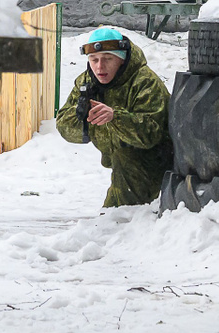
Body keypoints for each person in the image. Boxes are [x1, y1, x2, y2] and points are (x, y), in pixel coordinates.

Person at [55, 27, 173, 207]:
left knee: (119, 219)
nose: (99, 67)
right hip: (121, 167)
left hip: (157, 168)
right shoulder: (87, 82)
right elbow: (65, 129)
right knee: (111, 218)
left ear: (122, 59)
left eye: (108, 59)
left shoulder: (144, 82)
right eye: (94, 60)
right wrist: (81, 115)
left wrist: (115, 118)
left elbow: (150, 134)